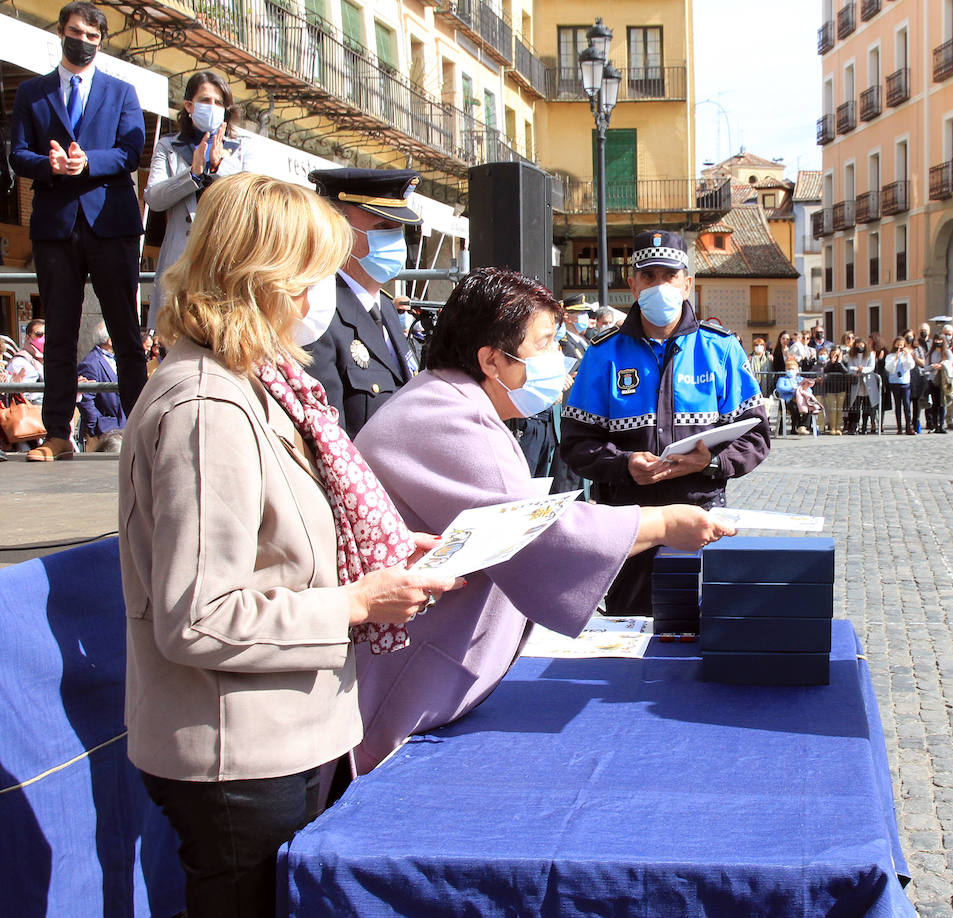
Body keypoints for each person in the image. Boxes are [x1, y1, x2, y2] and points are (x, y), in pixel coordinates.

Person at [119, 173, 460, 917]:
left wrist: (390, 550)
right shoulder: (208, 406)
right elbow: (200, 615)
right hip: (239, 750)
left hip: (287, 734)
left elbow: (284, 537)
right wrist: (356, 601)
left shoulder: (259, 384)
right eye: (313, 278)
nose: (321, 300)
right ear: (264, 281)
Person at [352, 268, 735, 770]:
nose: (558, 358)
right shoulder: (444, 417)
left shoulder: (451, 401)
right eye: (545, 343)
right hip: (406, 683)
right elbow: (533, 536)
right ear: (492, 360)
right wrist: (661, 524)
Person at [561, 230, 770, 615]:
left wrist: (708, 462)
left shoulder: (720, 348)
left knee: (701, 636)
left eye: (669, 275)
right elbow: (575, 444)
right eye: (649, 276)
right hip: (628, 527)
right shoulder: (602, 354)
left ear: (687, 283)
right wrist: (623, 465)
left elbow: (755, 436)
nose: (660, 286)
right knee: (629, 639)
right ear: (633, 284)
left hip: (700, 520)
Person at [10, 1, 147, 461]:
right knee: (61, 335)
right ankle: (56, 436)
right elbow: (18, 154)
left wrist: (89, 161)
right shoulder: (32, 92)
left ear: (101, 41)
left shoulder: (122, 91)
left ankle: (142, 432)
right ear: (61, 32)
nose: (83, 41)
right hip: (56, 227)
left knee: (127, 334)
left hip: (111, 225)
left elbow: (131, 151)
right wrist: (47, 165)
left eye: (92, 36)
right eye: (76, 32)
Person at [303, 167, 421, 437]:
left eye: (398, 229)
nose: (395, 239)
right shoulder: (318, 316)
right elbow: (329, 443)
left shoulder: (386, 312)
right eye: (382, 227)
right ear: (337, 229)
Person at [144, 70, 255, 330]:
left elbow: (250, 199)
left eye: (219, 103)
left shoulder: (242, 149)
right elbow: (154, 198)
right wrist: (192, 175)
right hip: (180, 262)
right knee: (176, 341)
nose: (212, 107)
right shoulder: (168, 146)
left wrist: (217, 167)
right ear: (189, 106)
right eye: (205, 101)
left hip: (225, 260)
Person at [75, 322, 124, 449]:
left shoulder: (114, 358)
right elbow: (86, 399)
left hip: (121, 427)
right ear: (109, 341)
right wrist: (96, 427)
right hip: (105, 431)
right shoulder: (91, 363)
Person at [5, 319, 45, 404]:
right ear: (27, 337)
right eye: (39, 334)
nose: (43, 338)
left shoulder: (41, 361)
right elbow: (25, 397)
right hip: (33, 412)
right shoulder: (20, 362)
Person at [886, 336, 917, 434]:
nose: (899, 347)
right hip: (895, 383)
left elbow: (910, 366)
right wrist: (895, 358)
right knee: (897, 405)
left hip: (905, 382)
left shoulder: (906, 355)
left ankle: (908, 426)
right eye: (897, 345)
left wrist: (907, 356)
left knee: (907, 405)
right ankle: (899, 427)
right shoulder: (890, 356)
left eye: (901, 345)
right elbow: (889, 368)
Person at [820, 346, 848, 434]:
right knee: (832, 409)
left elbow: (845, 371)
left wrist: (839, 361)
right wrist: (831, 362)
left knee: (839, 409)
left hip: (841, 388)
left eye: (837, 354)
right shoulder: (829, 363)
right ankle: (832, 427)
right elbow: (825, 370)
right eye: (833, 354)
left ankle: (838, 427)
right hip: (831, 388)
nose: (835, 356)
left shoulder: (843, 362)